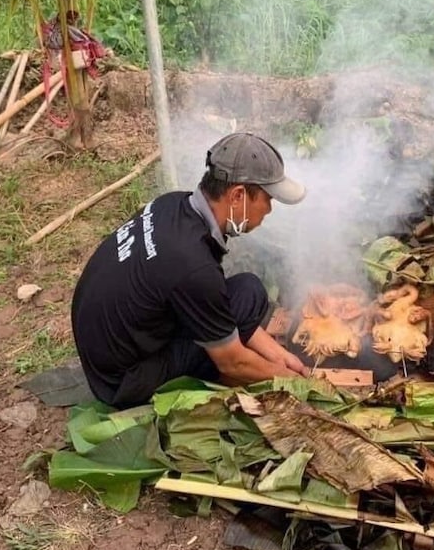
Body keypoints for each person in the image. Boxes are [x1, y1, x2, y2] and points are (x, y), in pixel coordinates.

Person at [71, 132, 311, 409]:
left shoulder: (173, 204)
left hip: (115, 346)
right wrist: (291, 379)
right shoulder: (191, 265)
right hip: (123, 380)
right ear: (237, 196)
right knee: (228, 361)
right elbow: (232, 362)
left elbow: (205, 303)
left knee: (248, 290)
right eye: (268, 198)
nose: (269, 209)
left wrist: (278, 355)